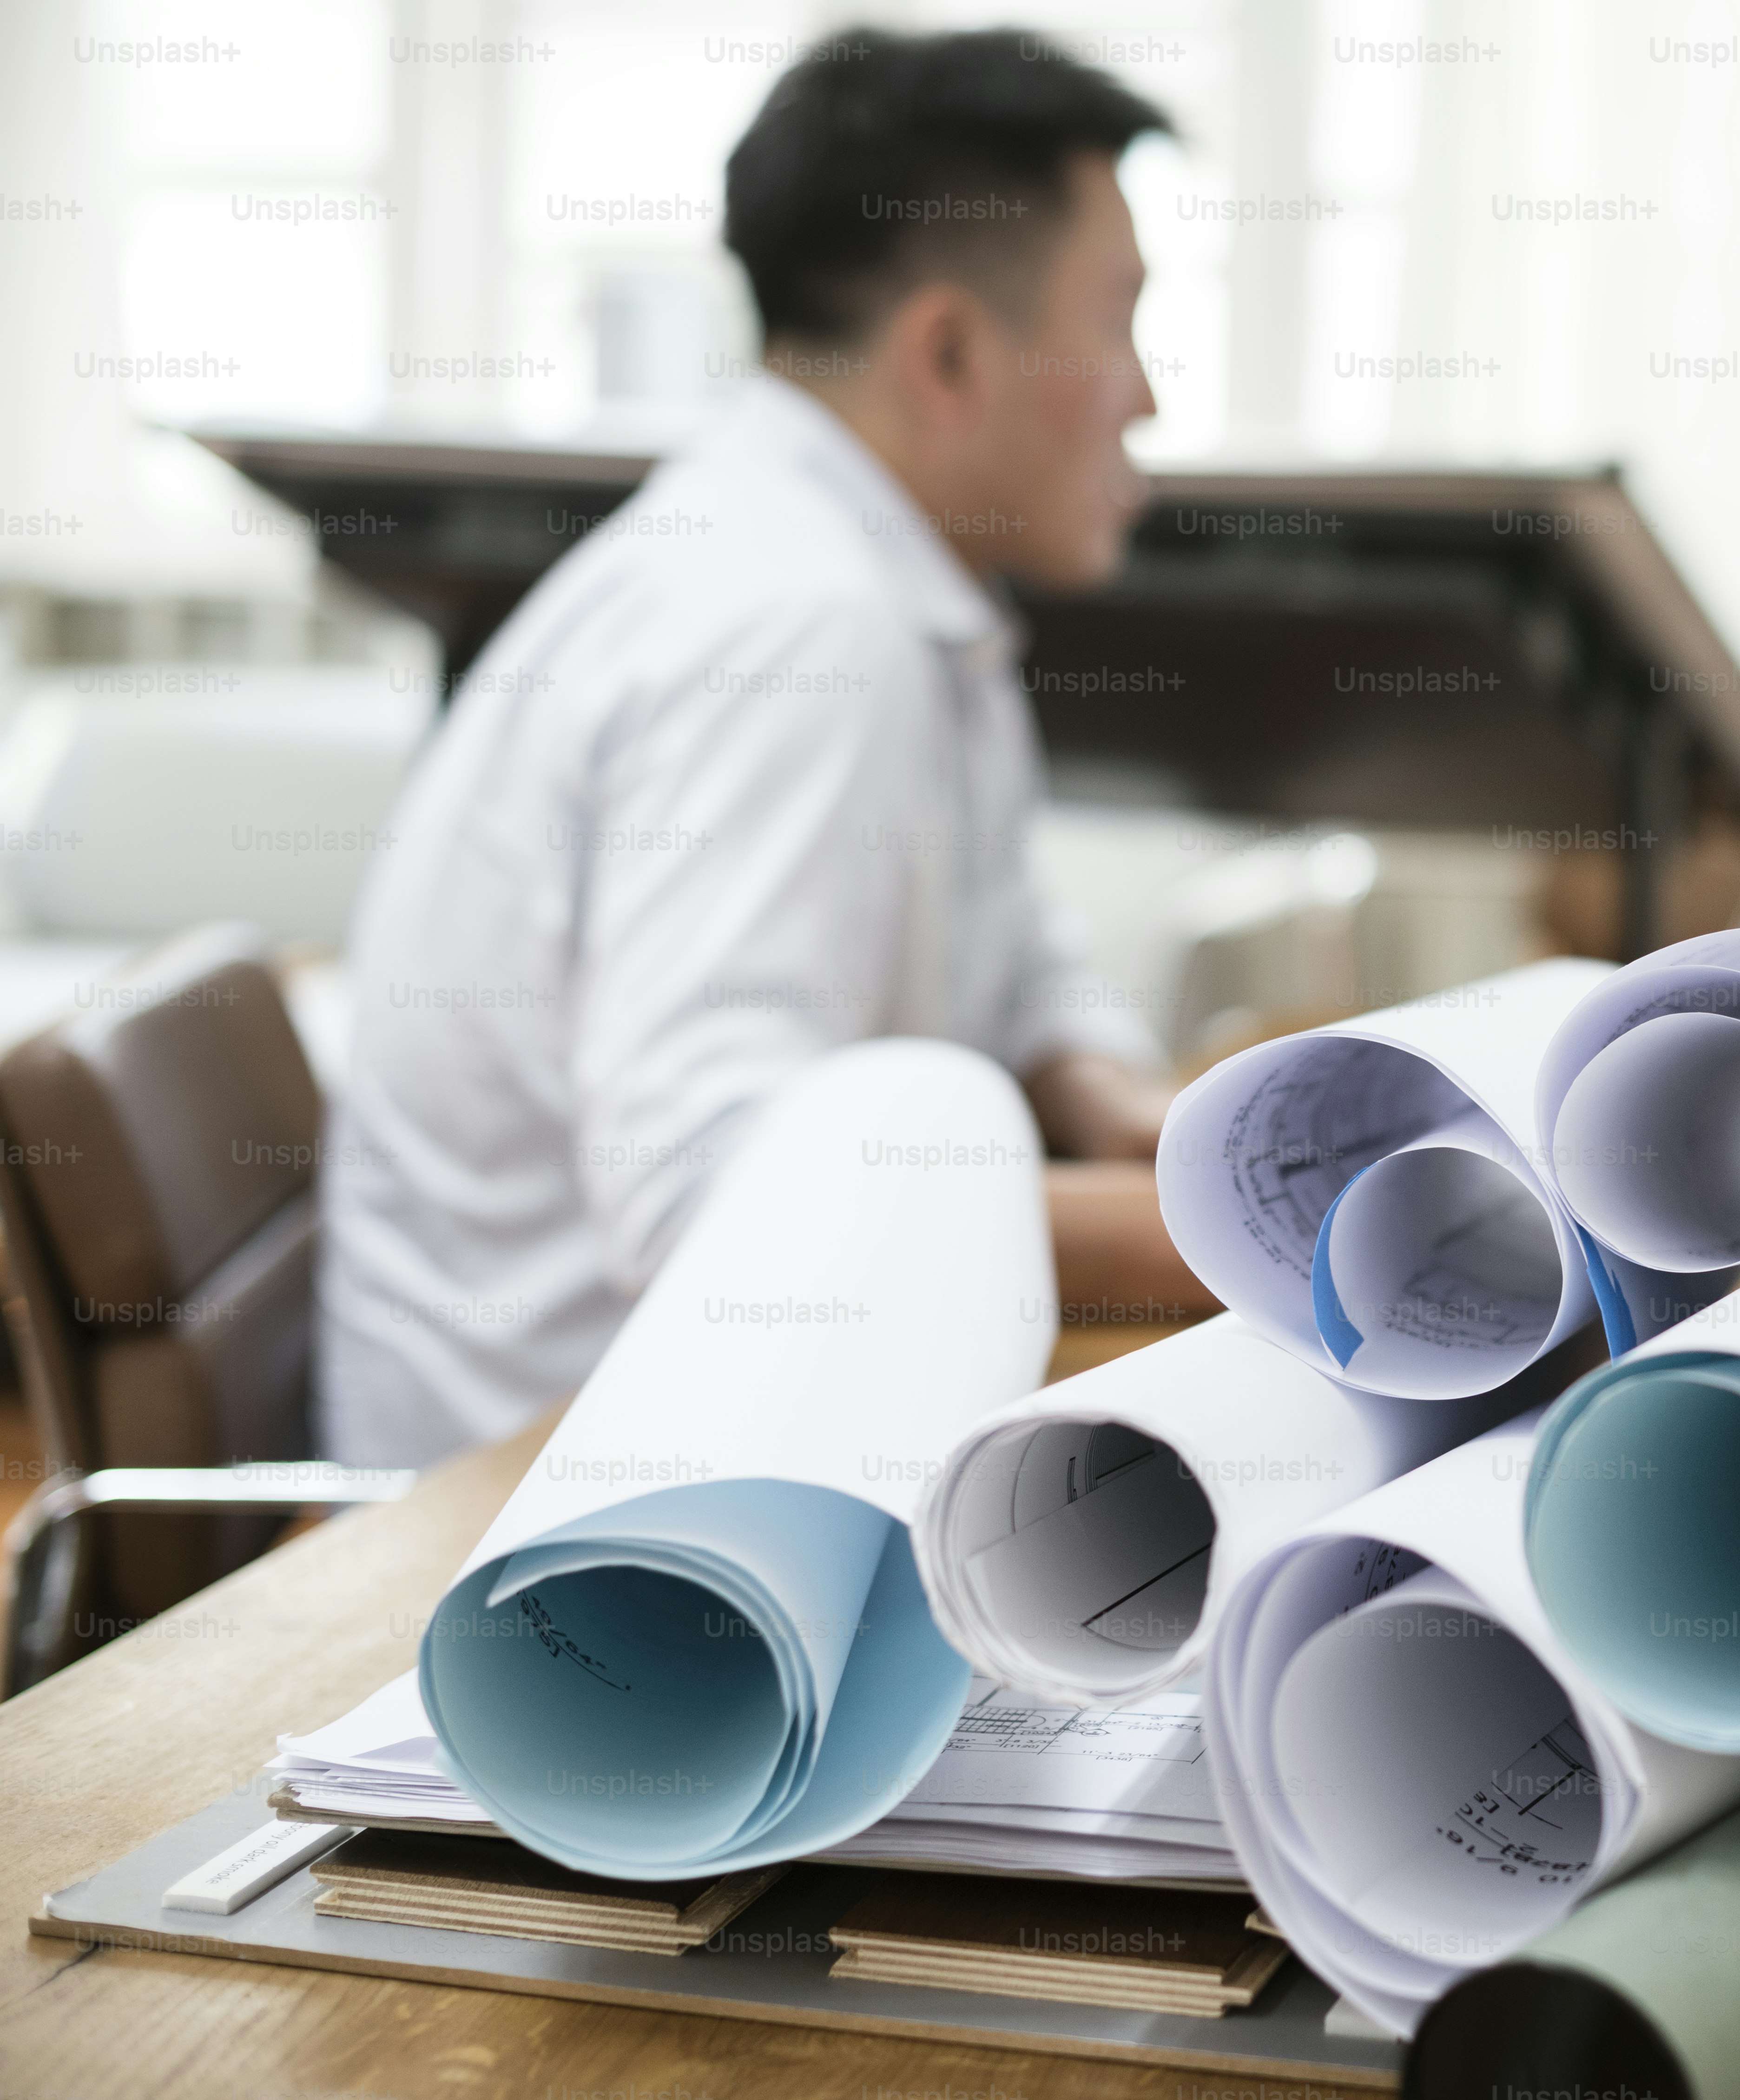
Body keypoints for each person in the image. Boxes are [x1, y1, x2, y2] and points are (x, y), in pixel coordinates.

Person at [319, 28, 1213, 1466]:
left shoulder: (872, 575)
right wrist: (1223, 1237)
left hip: (696, 1409)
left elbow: (1007, 958)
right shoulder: (793, 625)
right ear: (948, 351)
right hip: (542, 1481)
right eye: (1118, 321)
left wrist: (1129, 1107)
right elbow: (706, 1200)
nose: (1148, 394)